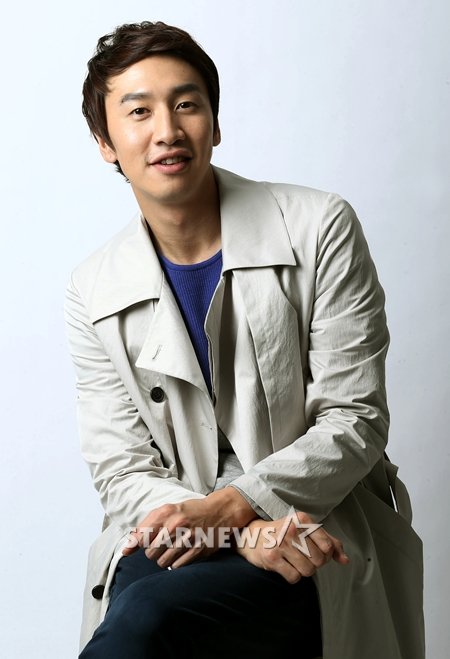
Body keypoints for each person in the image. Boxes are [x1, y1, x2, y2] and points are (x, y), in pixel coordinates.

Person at [65, 21, 424, 659]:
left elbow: (355, 419)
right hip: (175, 528)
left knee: (147, 616)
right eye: (139, 111)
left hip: (312, 523)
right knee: (139, 605)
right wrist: (234, 531)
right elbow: (122, 468)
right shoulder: (93, 288)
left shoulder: (320, 226)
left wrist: (239, 508)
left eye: (186, 104)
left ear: (215, 123)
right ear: (105, 143)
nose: (167, 130)